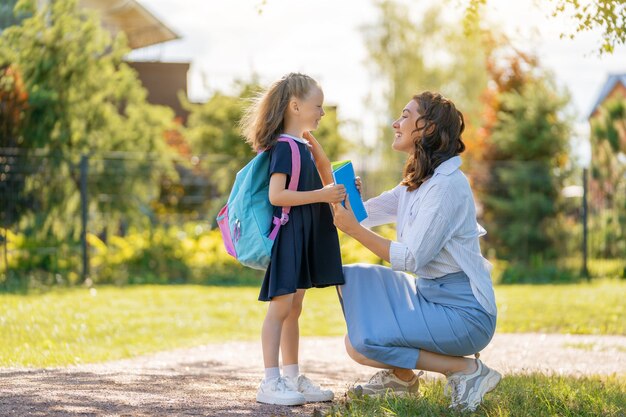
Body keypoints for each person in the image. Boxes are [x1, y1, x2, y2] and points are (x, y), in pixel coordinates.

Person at [332, 91, 501, 412]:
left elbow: (411, 258)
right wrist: (346, 201)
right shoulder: (419, 182)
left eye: (406, 116)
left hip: (465, 315)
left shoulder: (447, 186)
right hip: (429, 298)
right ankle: (402, 378)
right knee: (352, 279)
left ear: (429, 128)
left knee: (362, 343)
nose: (396, 123)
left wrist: (353, 228)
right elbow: (366, 214)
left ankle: (466, 370)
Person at [240, 73, 346, 406]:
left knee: (294, 308)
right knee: (281, 307)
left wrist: (335, 189)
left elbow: (311, 187)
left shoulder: (303, 145)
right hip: (289, 237)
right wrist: (322, 194)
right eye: (318, 106)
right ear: (296, 106)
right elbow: (278, 195)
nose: (322, 113)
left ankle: (291, 375)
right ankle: (270, 381)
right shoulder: (285, 147)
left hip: (303, 235)